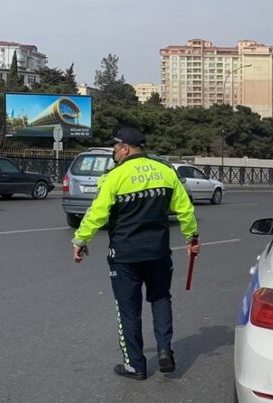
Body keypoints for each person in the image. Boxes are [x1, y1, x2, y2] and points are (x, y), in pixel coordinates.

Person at [71, 127, 200, 380]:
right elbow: (185, 209)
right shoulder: (165, 171)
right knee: (161, 299)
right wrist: (192, 238)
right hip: (159, 253)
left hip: (125, 256)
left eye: (115, 149)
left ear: (126, 149)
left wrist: (81, 240)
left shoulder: (115, 177)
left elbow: (97, 212)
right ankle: (164, 351)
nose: (114, 153)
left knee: (128, 310)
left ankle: (135, 365)